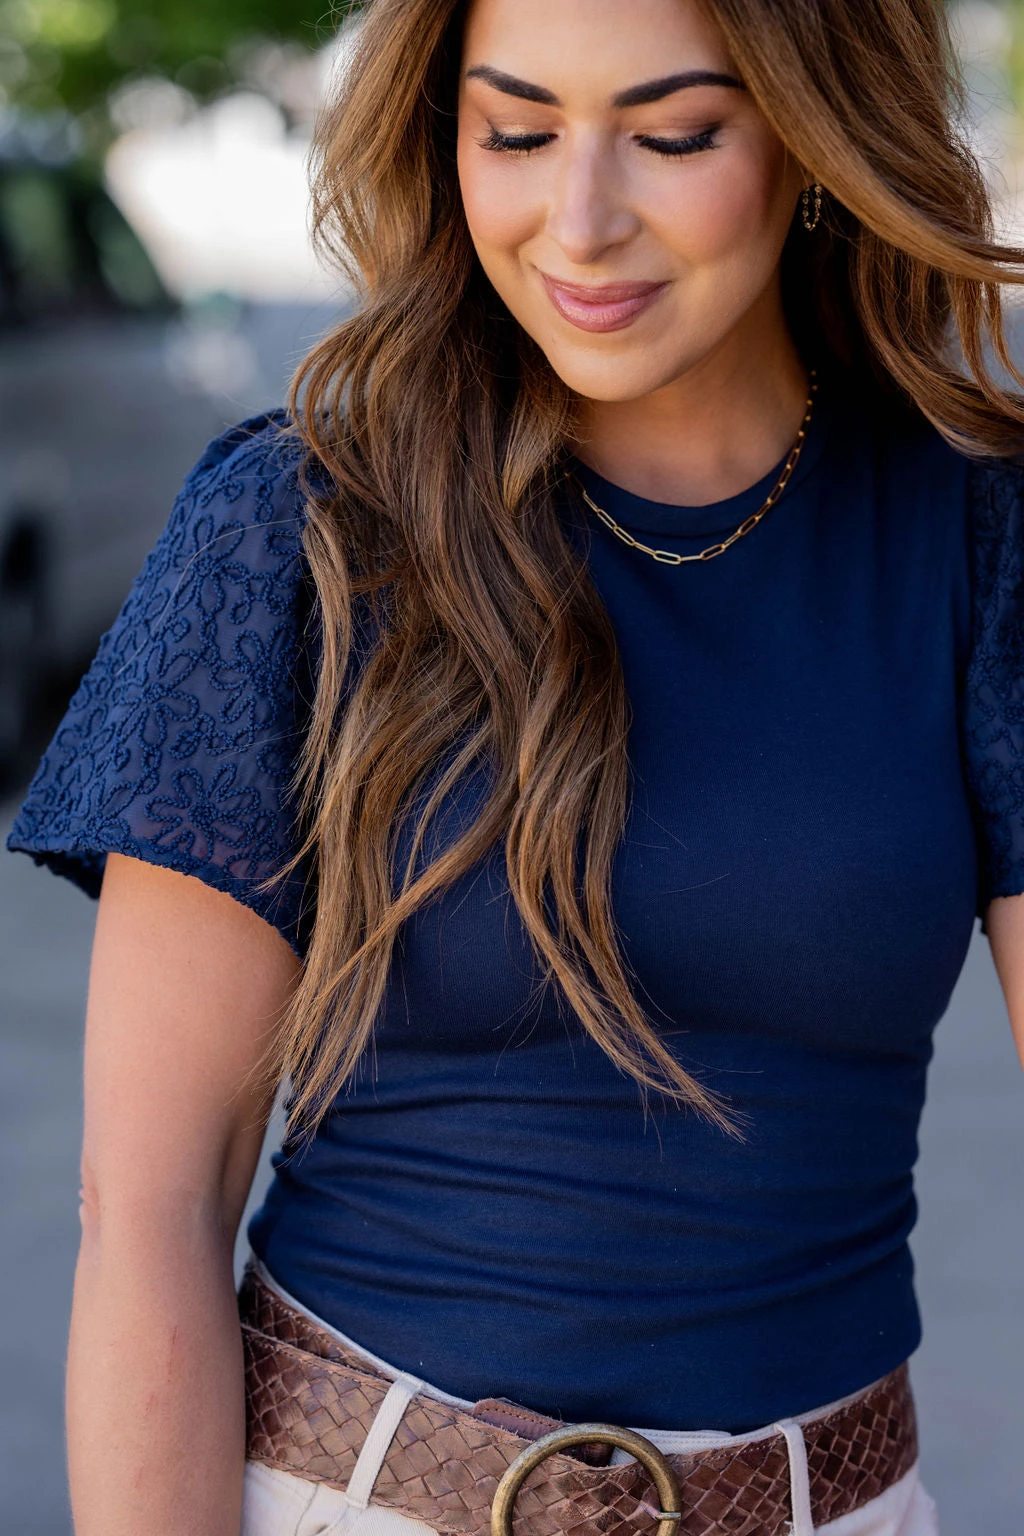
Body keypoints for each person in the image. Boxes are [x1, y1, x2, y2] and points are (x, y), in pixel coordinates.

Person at [10, 0, 1024, 1530]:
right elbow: (148, 1211)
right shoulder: (298, 529)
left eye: (673, 135)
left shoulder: (978, 536)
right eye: (519, 131)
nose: (581, 218)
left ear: (816, 140)